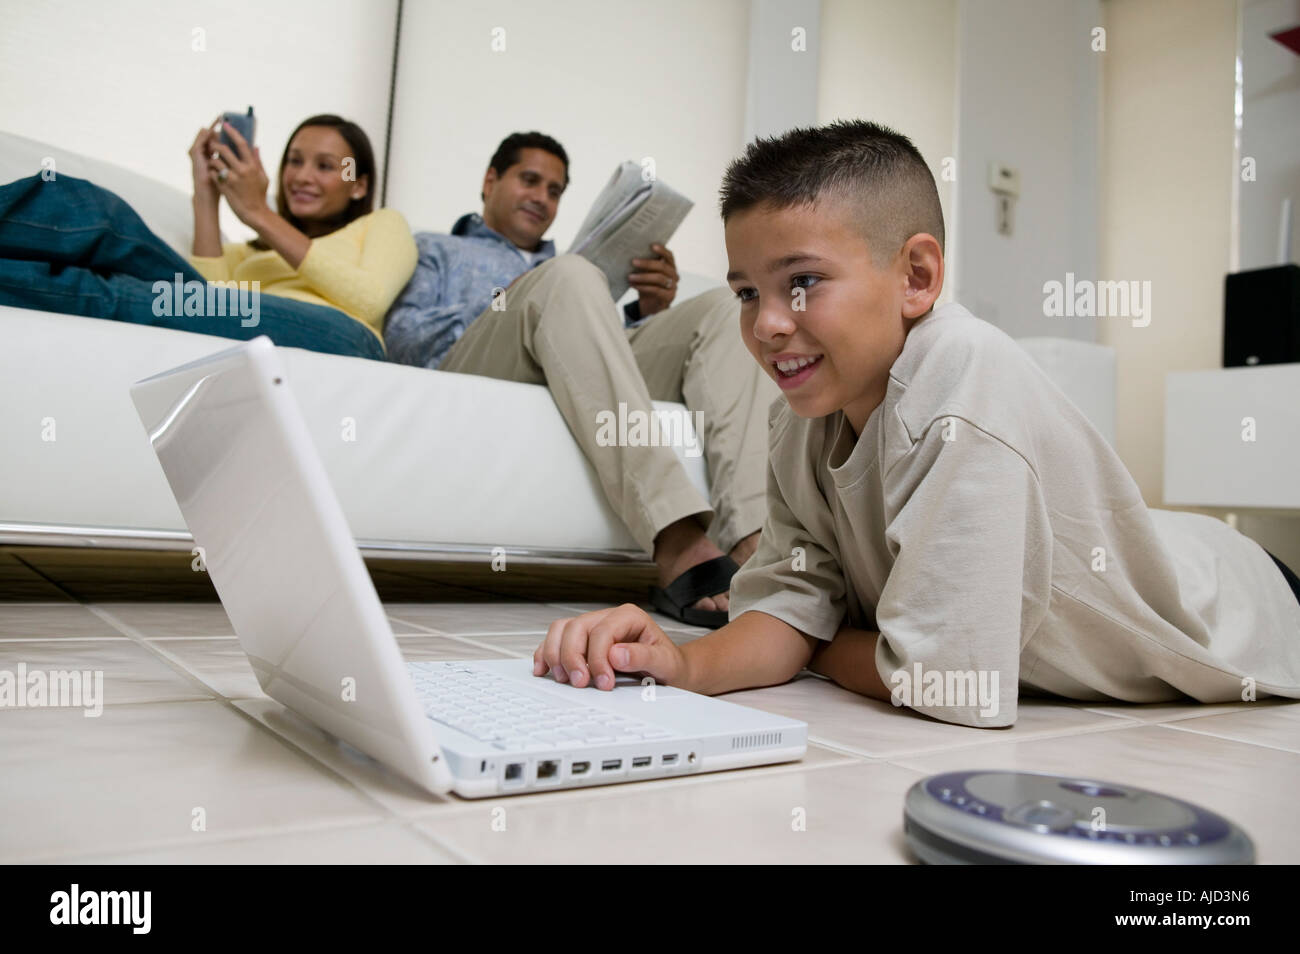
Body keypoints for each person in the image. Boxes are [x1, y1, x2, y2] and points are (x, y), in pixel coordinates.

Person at [528, 119, 1300, 724]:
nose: (766, 324)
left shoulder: (965, 381)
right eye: (744, 293)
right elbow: (793, 606)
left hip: (1250, 611)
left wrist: (820, 649)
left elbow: (945, 684)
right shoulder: (802, 419)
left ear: (918, 276)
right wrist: (685, 665)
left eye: (800, 283)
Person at [385, 131, 779, 627]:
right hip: (484, 363)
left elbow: (597, 352)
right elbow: (403, 338)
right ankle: (677, 539)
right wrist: (507, 300)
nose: (542, 198)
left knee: (725, 309)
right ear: (490, 181)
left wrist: (649, 310)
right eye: (530, 180)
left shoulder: (567, 268)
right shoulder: (436, 249)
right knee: (566, 275)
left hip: (563, 353)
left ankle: (752, 542)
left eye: (555, 191)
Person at [0, 114, 415, 360]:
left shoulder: (381, 224)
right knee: (86, 211)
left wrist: (257, 212)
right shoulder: (249, 253)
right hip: (243, 321)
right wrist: (205, 192)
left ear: (358, 185)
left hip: (342, 338)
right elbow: (206, 300)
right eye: (294, 161)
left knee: (116, 272)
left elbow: (368, 298)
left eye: (326, 166)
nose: (302, 176)